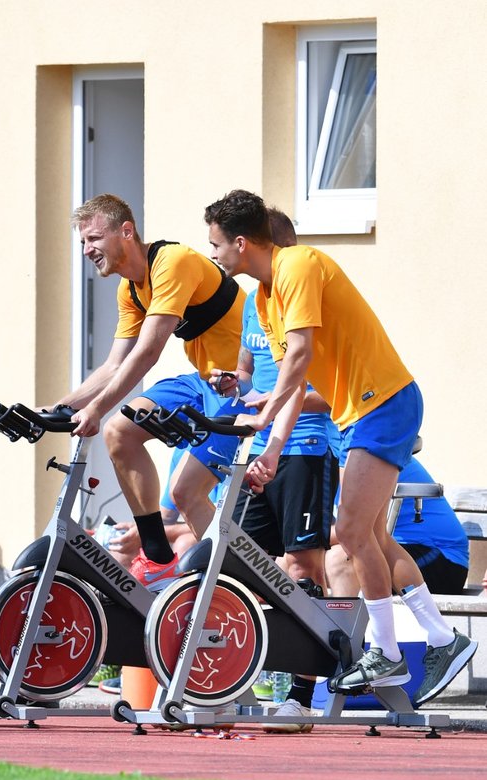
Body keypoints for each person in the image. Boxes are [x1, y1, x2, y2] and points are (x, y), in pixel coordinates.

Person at [204, 188, 476, 708]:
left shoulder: (298, 264)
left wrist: (263, 413)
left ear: (241, 242)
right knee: (369, 535)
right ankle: (442, 640)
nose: (213, 255)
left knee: (350, 531)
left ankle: (390, 651)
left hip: (386, 402)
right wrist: (271, 448)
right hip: (355, 413)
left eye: (216, 245)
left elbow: (300, 354)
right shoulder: (263, 299)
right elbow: (296, 378)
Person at [56, 194, 246, 591]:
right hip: (203, 381)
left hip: (241, 387)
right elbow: (112, 365)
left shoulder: (171, 262)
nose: (87, 250)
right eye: (82, 243)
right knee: (119, 431)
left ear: (127, 231)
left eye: (93, 238)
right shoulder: (130, 290)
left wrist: (96, 408)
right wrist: (61, 406)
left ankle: (234, 582)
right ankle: (158, 554)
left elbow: (149, 350)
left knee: (186, 493)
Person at [214, 208, 340, 732]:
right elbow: (249, 371)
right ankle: (237, 673)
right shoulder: (256, 304)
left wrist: (273, 403)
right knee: (236, 558)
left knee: (302, 565)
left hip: (306, 447)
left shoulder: (303, 294)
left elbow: (327, 389)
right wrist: (237, 384)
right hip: (259, 445)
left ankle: (303, 695)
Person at [327, 458, 470, 597]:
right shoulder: (326, 462)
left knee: (339, 559)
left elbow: (355, 529)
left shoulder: (368, 457)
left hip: (442, 558)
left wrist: (309, 541)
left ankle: (344, 621)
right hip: (393, 546)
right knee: (315, 562)